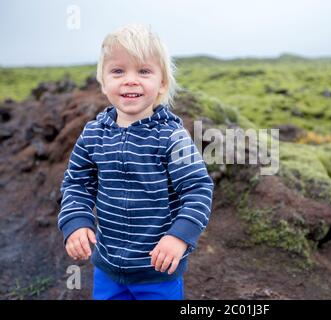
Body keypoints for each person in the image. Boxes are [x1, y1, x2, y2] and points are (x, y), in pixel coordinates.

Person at [57, 24, 214, 300]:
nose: (130, 80)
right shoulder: (94, 134)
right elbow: (77, 183)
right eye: (118, 71)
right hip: (107, 267)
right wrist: (76, 221)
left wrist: (179, 237)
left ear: (162, 83)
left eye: (143, 71)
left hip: (158, 270)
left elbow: (197, 189)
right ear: (103, 82)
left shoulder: (171, 137)